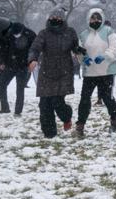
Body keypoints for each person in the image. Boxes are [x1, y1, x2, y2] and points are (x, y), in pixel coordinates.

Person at [29, 9, 81, 137]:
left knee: (57, 102)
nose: (56, 19)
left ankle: (66, 117)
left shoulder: (70, 32)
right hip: (47, 72)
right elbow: (35, 48)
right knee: (45, 104)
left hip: (64, 72)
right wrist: (32, 59)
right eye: (53, 16)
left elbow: (75, 45)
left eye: (59, 17)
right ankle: (50, 133)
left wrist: (78, 50)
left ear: (63, 20)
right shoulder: (44, 33)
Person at [75, 8, 116, 135]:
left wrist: (106, 56)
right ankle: (80, 125)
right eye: (93, 18)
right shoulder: (83, 34)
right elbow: (79, 50)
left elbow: (115, 47)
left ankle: (114, 120)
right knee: (85, 99)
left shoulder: (109, 31)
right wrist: (84, 59)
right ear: (88, 19)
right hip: (90, 73)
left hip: (106, 71)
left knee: (108, 98)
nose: (95, 20)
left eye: (98, 18)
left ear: (102, 19)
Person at [0, 27, 33, 115]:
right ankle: (5, 107)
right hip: (10, 65)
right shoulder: (9, 36)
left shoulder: (29, 36)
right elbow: (5, 49)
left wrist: (30, 62)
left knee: (20, 89)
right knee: (1, 85)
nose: (16, 35)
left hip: (22, 67)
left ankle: (18, 110)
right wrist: (2, 62)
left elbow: (32, 51)